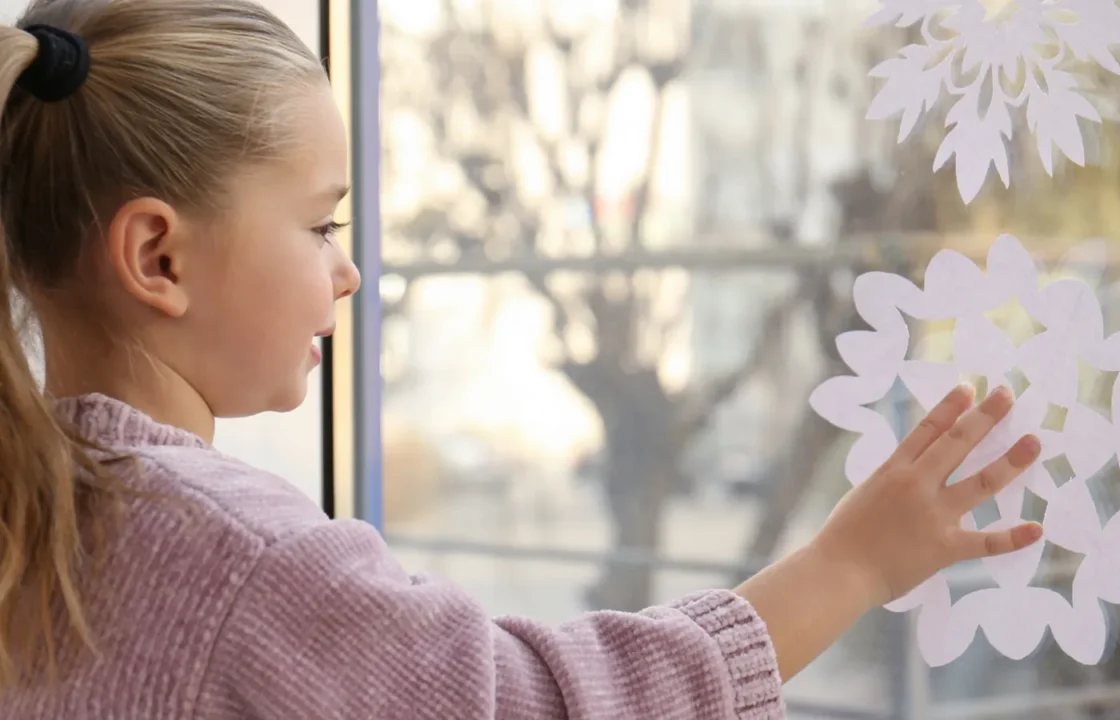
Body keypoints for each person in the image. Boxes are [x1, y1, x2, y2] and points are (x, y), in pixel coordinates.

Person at [0, 1, 1044, 718]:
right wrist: (847, 565)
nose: (348, 272)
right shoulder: (237, 558)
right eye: (320, 227)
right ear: (157, 255)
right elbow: (547, 706)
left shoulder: (35, 513)